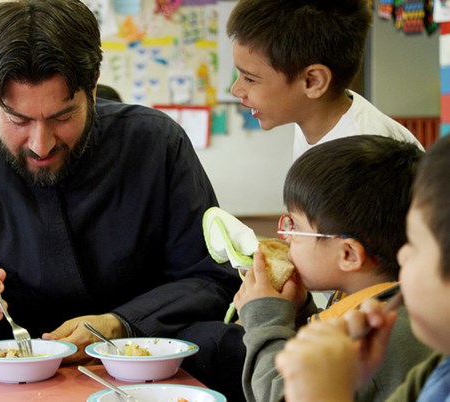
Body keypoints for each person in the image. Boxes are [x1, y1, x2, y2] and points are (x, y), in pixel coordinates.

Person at [0, 0, 240, 373]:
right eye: (17, 119)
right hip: (4, 357)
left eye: (62, 117)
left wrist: (119, 324)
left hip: (136, 350)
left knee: (227, 343)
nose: (41, 144)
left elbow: (211, 279)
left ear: (93, 86)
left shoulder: (156, 143)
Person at [181, 136, 431, 402]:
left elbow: (282, 396)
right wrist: (300, 311)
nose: (285, 236)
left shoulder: (379, 335)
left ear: (348, 255)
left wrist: (266, 319)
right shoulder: (373, 299)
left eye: (296, 227)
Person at [275, 134, 450, 402]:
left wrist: (324, 394)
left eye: (415, 243)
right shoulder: (440, 366)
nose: (401, 254)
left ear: (349, 253)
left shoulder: (398, 334)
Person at [227, 0, 423, 161]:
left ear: (313, 82)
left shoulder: (364, 160)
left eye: (250, 79)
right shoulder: (314, 116)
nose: (236, 90)